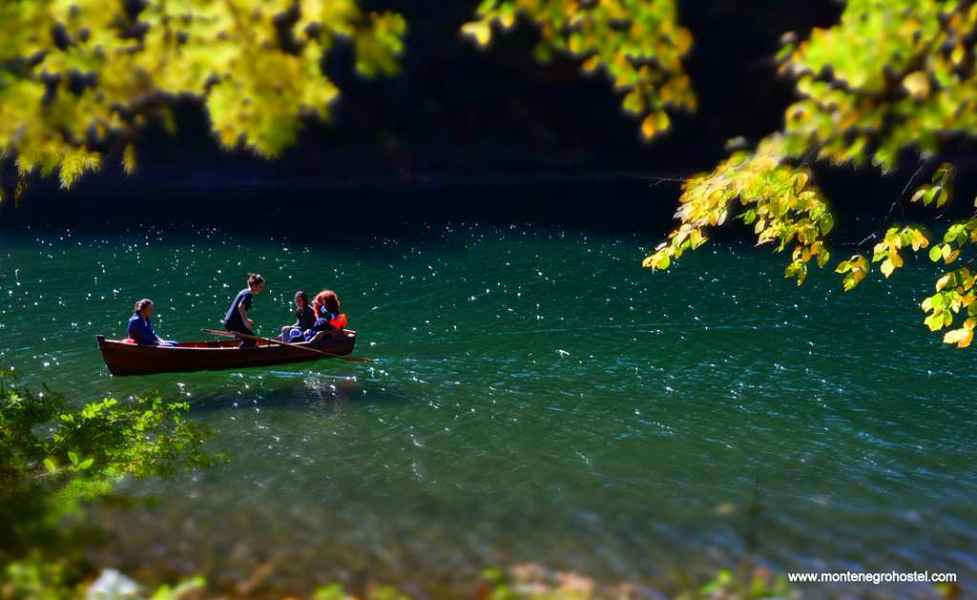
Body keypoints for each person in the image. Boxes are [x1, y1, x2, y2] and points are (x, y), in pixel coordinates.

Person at [223, 273, 265, 347]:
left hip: (229, 321)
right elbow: (240, 306)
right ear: (254, 286)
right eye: (260, 287)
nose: (262, 289)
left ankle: (241, 348)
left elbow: (240, 310)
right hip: (233, 323)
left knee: (248, 338)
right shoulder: (248, 294)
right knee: (252, 339)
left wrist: (246, 320)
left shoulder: (244, 291)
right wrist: (245, 321)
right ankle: (240, 353)